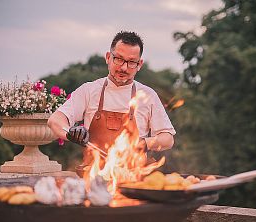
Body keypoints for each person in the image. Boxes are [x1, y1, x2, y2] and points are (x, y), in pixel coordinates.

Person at [48, 31, 176, 171]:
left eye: (131, 62)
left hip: (133, 178)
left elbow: (167, 139)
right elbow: (55, 120)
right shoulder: (89, 90)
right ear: (108, 57)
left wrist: (144, 143)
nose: (123, 67)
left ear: (139, 64)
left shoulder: (148, 95)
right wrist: (70, 132)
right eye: (118, 59)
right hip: (93, 176)